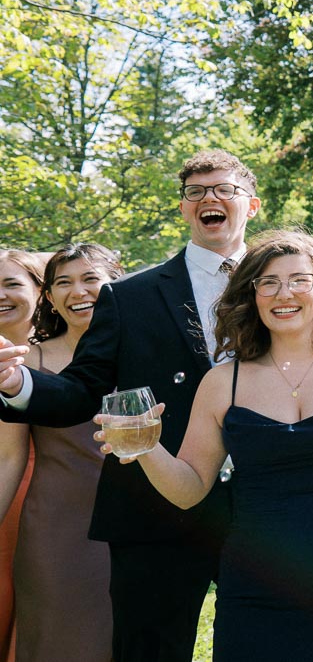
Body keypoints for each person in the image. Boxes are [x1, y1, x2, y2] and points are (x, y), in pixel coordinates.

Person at [101, 229, 313, 661]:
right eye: (268, 283)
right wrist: (146, 448)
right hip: (256, 575)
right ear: (252, 295)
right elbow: (190, 487)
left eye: (299, 280)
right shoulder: (223, 382)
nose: (283, 294)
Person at [0, 150, 261, 662]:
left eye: (224, 190)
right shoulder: (130, 296)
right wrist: (16, 384)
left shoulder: (285, 285)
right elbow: (80, 387)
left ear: (250, 205)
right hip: (153, 507)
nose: (209, 199)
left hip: (266, 505)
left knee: (262, 648)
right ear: (183, 209)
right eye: (195, 192)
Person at [0, 244, 124, 661]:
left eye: (91, 279)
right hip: (55, 533)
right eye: (63, 283)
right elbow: (9, 457)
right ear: (48, 297)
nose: (78, 291)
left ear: (116, 284)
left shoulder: (141, 353)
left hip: (135, 526)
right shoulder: (28, 362)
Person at [0, 250, 42, 662]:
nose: (0, 294)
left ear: (39, 291)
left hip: (34, 495)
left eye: (12, 283)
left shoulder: (61, 354)